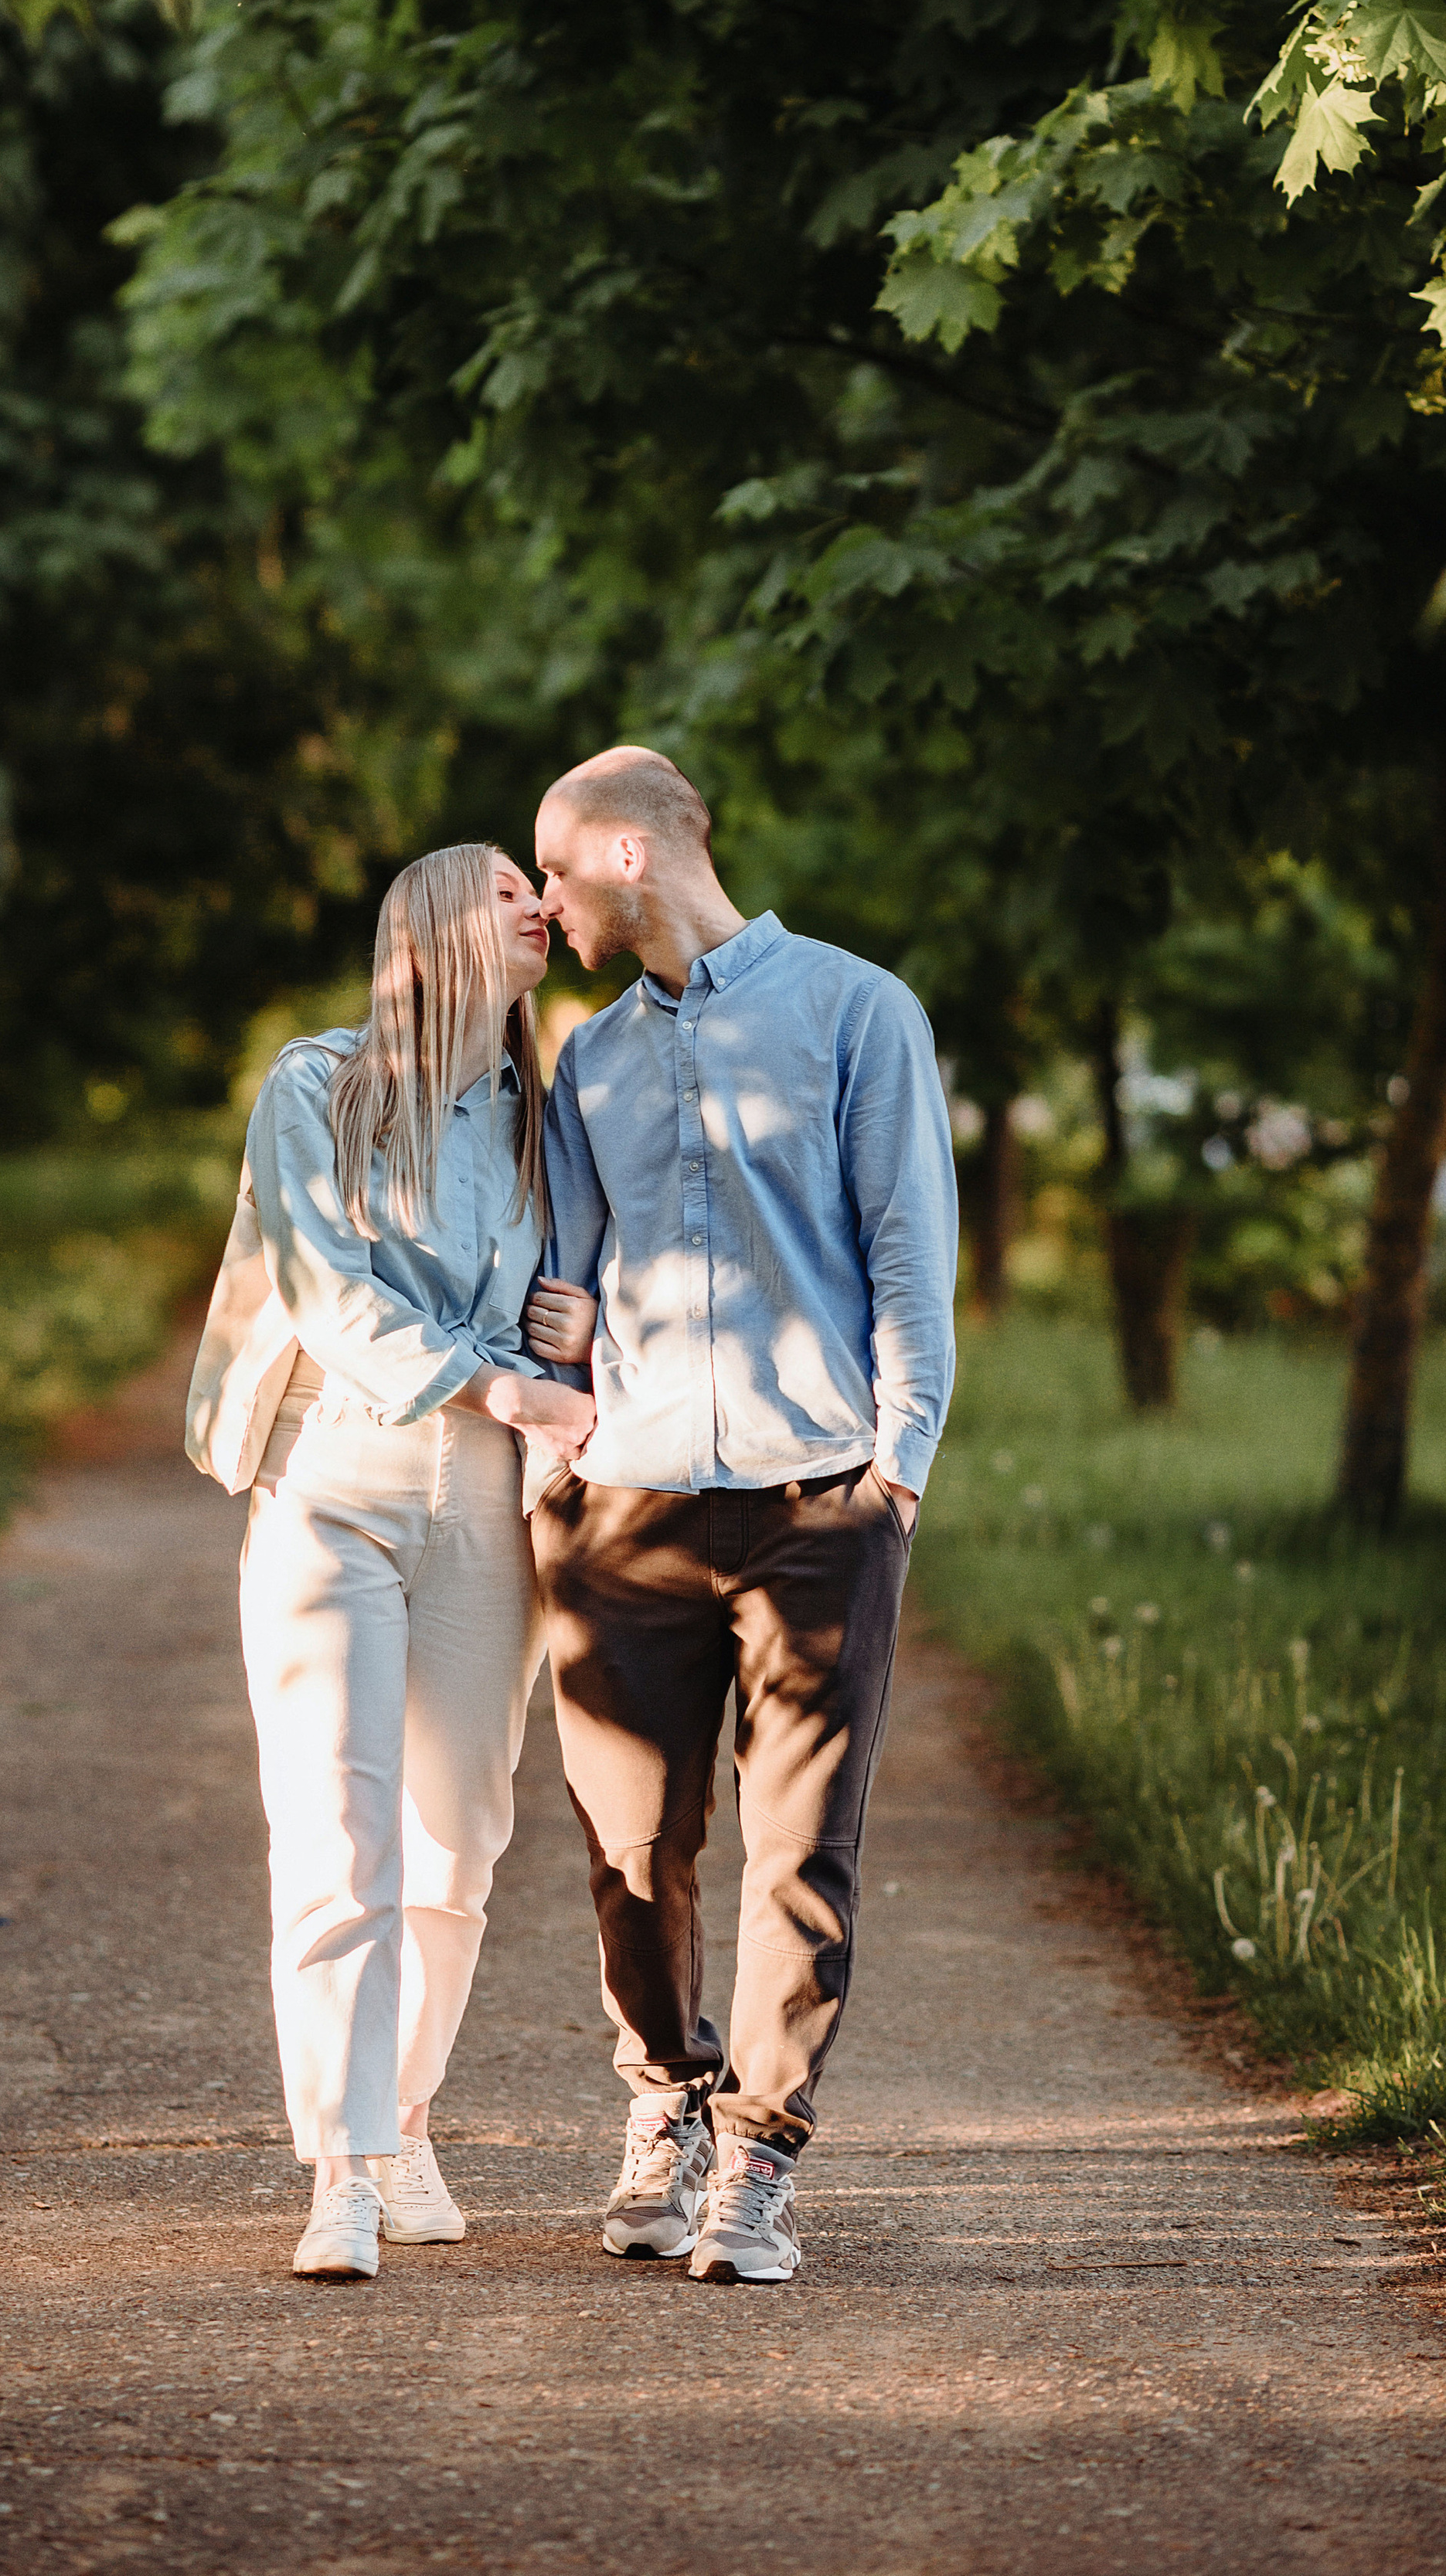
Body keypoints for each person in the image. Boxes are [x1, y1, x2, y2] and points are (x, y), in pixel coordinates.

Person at [522, 747, 958, 2287]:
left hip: (813, 1501)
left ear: (631, 857)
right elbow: (564, 1285)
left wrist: (893, 1464)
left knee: (798, 1856)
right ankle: (665, 2101)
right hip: (625, 1509)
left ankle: (758, 2161)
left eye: (558, 872)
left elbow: (908, 1247)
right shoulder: (587, 1058)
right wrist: (549, 1466)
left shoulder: (855, 1013)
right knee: (631, 1851)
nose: (546, 905)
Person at [185, 844, 594, 2281]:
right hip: (334, 1481)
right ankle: (342, 2171)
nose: (537, 902)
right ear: (427, 927)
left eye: (540, 885)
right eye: (501, 886)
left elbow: (603, 1281)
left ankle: (404, 2112)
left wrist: (579, 1330)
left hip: (491, 1504)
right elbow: (324, 1288)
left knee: (456, 1844)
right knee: (337, 1835)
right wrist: (505, 1381)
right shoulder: (320, 1087)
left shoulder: (560, 1115)